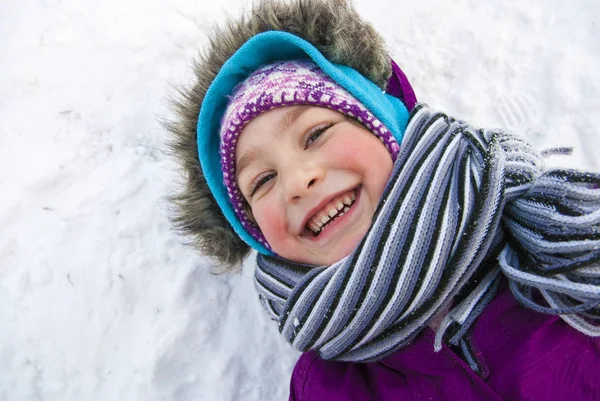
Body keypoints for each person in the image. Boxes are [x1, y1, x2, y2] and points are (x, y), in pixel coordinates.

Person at [167, 0, 600, 399]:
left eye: (316, 134)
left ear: (385, 126)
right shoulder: (324, 388)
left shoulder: (561, 241)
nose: (298, 181)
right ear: (254, 231)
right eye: (262, 181)